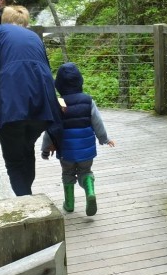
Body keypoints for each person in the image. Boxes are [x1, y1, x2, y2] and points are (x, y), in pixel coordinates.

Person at [0, 5, 62, 196]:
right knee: (26, 149)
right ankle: (27, 196)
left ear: (4, 19)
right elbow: (46, 70)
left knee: (14, 160)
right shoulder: (34, 37)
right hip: (42, 106)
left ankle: (26, 202)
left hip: (10, 105)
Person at [41, 62, 115, 216]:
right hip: (86, 149)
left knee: (67, 174)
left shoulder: (58, 103)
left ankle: (69, 204)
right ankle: (89, 191)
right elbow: (97, 122)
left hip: (66, 151)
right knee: (85, 171)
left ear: (59, 85)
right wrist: (104, 139)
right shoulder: (88, 101)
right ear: (80, 81)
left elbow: (51, 129)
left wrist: (45, 149)